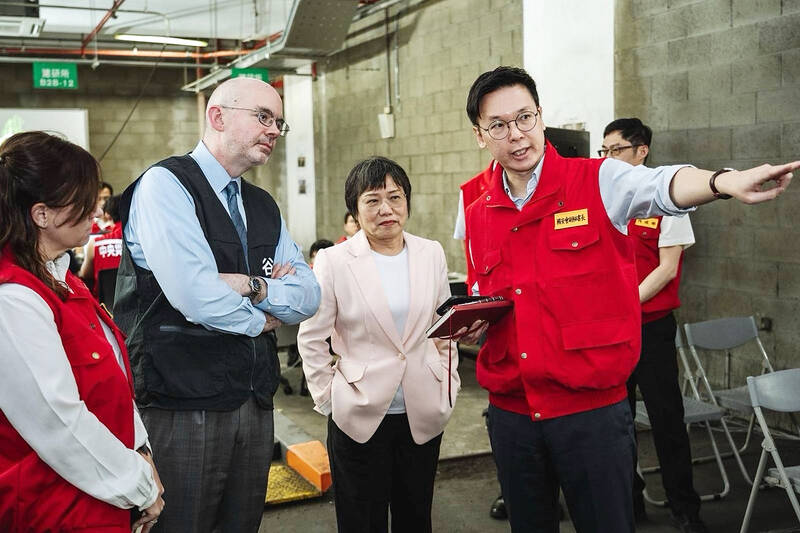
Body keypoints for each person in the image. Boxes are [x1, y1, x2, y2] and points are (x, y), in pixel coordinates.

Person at [457, 66, 797, 533]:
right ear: (480, 135)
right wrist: (476, 317)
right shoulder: (477, 212)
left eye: (524, 117)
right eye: (498, 125)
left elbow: (662, 184)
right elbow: (485, 291)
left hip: (590, 413)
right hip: (513, 415)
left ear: (540, 116)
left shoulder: (599, 180)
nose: (515, 134)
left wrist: (721, 182)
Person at [114, 77, 321, 533]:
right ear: (218, 116)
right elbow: (197, 296)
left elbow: (309, 295)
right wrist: (264, 319)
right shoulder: (166, 186)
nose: (274, 129)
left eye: (279, 122)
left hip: (253, 400)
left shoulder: (261, 204)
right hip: (182, 402)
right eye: (263, 117)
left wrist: (253, 287)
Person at [0, 131, 164, 532]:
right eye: (83, 199)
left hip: (99, 495)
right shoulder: (14, 299)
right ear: (41, 214)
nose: (96, 209)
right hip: (55, 508)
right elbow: (58, 421)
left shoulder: (64, 280)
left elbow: (113, 384)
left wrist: (141, 455)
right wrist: (140, 484)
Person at [297, 156, 460, 533]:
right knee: (361, 520)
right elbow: (312, 335)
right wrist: (329, 399)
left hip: (422, 410)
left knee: (415, 516)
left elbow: (444, 329)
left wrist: (448, 385)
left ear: (407, 202)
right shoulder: (334, 261)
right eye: (372, 200)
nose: (386, 209)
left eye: (395, 197)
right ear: (355, 210)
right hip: (358, 412)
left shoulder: (430, 253)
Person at [601, 118, 705, 530]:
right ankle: (629, 503)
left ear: (641, 150)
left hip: (651, 327)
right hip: (613, 331)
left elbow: (666, 269)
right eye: (604, 151)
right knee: (617, 421)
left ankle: (685, 508)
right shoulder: (606, 197)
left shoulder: (667, 197)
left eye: (616, 150)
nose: (608, 158)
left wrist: (622, 304)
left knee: (667, 420)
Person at [79, 194, 123, 300]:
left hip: (103, 306)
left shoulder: (95, 243)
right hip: (138, 305)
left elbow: (85, 274)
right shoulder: (140, 242)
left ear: (108, 215)